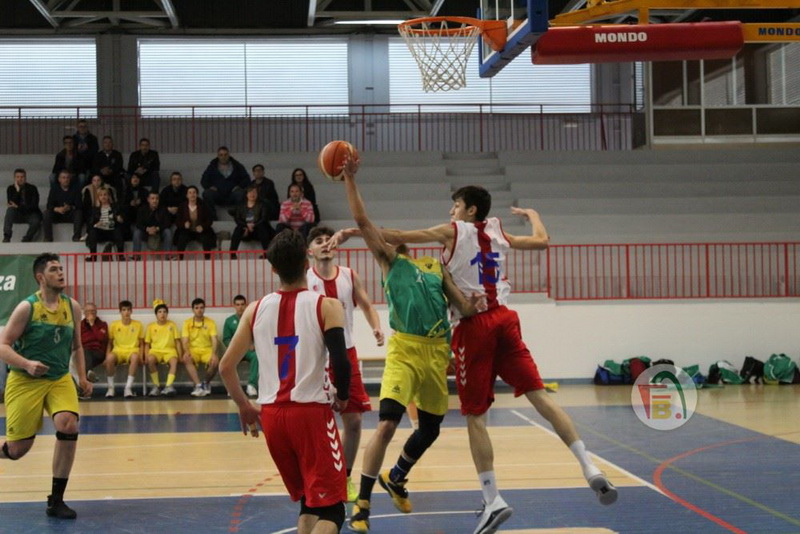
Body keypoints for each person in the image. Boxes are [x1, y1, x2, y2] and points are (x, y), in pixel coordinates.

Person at [373, 185, 619, 533]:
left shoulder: (452, 231)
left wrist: (357, 229)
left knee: (476, 418)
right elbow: (541, 241)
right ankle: (589, 466)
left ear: (470, 210)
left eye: (455, 205)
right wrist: (533, 215)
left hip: (474, 327)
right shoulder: (496, 230)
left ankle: (492, 500)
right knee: (540, 396)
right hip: (505, 319)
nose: (451, 211)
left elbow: (397, 236)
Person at [332, 156, 483, 533]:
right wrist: (350, 179)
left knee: (430, 429)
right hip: (404, 351)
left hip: (437, 352)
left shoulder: (434, 267)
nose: (391, 238)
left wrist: (479, 304)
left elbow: (463, 307)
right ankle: (362, 503)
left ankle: (397, 476)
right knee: (386, 424)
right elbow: (363, 222)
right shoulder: (389, 262)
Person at [219, 229, 351, 534]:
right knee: (333, 509)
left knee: (309, 502)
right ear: (307, 263)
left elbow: (226, 366)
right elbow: (341, 361)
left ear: (273, 269)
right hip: (310, 414)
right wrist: (343, 396)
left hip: (272, 417)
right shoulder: (326, 305)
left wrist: (244, 406)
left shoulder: (254, 309)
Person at [0, 253, 92, 519]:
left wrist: (82, 377)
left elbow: (77, 346)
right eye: (54, 269)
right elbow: (3, 346)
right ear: (41, 277)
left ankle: (56, 500)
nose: (61, 273)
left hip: (59, 378)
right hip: (25, 381)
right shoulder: (27, 308)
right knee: (17, 449)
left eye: (61, 268)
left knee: (68, 424)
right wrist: (27, 364)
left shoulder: (72, 307)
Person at [306, 225, 385, 503]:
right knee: (316, 424)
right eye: (318, 241)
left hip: (346, 355)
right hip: (316, 357)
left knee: (354, 421)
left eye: (328, 240)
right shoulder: (305, 279)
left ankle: (345, 478)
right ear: (310, 251)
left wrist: (376, 326)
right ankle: (318, 477)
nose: (325, 244)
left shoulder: (349, 276)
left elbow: (367, 305)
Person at [105, 300, 144, 398]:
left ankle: (128, 388)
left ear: (131, 311)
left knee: (135, 357)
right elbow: (110, 343)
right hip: (118, 351)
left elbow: (142, 343)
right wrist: (106, 357)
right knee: (110, 358)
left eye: (128, 310)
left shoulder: (138, 325)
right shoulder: (114, 325)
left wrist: (141, 356)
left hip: (132, 351)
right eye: (124, 310)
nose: (126, 312)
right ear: (120, 311)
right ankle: (111, 388)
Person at [221, 295, 258, 398]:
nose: (240, 307)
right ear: (234, 306)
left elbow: (257, 335)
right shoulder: (229, 321)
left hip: (249, 351)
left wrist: (254, 345)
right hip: (235, 351)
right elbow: (226, 339)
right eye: (237, 305)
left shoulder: (252, 319)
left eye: (242, 304)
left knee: (256, 356)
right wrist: (234, 347)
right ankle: (233, 388)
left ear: (246, 305)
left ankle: (252, 385)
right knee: (229, 361)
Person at [181, 298, 219, 397]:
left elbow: (214, 340)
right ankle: (198, 386)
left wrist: (214, 354)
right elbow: (185, 340)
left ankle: (205, 383)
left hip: (207, 349)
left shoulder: (210, 322)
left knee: (215, 361)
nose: (199, 310)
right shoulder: (187, 323)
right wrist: (186, 351)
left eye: (201, 308)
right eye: (197, 308)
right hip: (193, 350)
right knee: (186, 358)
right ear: (192, 309)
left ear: (204, 309)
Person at [200, 146, 250, 220]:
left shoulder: (237, 166)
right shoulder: (212, 167)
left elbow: (247, 179)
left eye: (225, 154)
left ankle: (239, 217)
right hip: (218, 195)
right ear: (218, 156)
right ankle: (212, 218)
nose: (223, 157)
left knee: (241, 193)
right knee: (207, 193)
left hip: (233, 194)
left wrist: (239, 186)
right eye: (221, 155)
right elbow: (204, 180)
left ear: (228, 155)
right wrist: (209, 186)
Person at [144, 300, 181, 396]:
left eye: (164, 312)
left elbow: (177, 341)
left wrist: (180, 356)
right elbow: (147, 344)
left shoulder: (172, 325)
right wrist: (146, 356)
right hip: (155, 351)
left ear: (167, 314)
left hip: (170, 351)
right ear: (156, 314)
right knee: (150, 360)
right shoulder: (150, 326)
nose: (162, 314)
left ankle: (169, 386)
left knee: (174, 361)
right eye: (160, 312)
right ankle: (156, 386)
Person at [229, 185, 273, 257]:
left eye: (254, 192)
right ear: (246, 194)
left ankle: (267, 254)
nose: (252, 194)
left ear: (257, 194)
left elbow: (264, 218)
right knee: (238, 229)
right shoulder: (241, 205)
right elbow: (237, 219)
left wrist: (253, 225)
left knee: (262, 228)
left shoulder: (262, 205)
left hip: (257, 230)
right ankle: (232, 254)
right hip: (245, 231)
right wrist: (246, 225)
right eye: (250, 192)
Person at [174, 186, 216, 259]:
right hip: (187, 231)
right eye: (190, 193)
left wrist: (202, 226)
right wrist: (184, 224)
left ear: (197, 194)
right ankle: (179, 259)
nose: (192, 195)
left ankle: (207, 260)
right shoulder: (182, 206)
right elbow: (177, 221)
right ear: (187, 195)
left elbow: (209, 220)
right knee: (182, 238)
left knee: (206, 239)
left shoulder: (203, 205)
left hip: (200, 231)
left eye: (194, 192)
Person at [85, 187, 125, 260]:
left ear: (109, 196)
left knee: (118, 231)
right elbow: (90, 224)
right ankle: (93, 257)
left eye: (105, 195)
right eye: (101, 195)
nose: (103, 197)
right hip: (100, 232)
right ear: (98, 197)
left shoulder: (116, 207)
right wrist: (96, 224)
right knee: (92, 232)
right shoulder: (95, 209)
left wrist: (120, 219)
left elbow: (123, 221)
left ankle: (120, 256)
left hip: (112, 231)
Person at [43, 171, 83, 243]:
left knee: (79, 213)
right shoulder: (54, 189)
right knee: (46, 213)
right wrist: (57, 209)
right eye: (63, 178)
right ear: (59, 179)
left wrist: (70, 207)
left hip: (70, 214)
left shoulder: (75, 189)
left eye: (67, 178)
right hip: (57, 214)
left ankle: (76, 237)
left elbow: (79, 205)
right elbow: (49, 205)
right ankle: (48, 238)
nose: (66, 180)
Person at [4, 168, 41, 243]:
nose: (20, 179)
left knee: (36, 220)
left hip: (30, 213)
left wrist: (18, 207)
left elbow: (34, 206)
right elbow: (11, 203)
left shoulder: (32, 188)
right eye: (17, 177)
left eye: (22, 177)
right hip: (18, 214)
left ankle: (27, 238)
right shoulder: (11, 188)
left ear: (25, 178)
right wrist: (18, 191)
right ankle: (7, 236)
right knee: (10, 210)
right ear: (14, 178)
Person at [133, 191, 173, 258]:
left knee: (168, 232)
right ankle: (136, 257)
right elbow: (138, 224)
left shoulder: (163, 209)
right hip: (146, 232)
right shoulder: (142, 209)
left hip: (159, 231)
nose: (155, 201)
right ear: (148, 199)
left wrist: (157, 229)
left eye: (157, 198)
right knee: (137, 233)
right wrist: (147, 229)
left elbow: (167, 223)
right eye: (152, 198)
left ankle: (168, 256)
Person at [79, 302, 108, 385]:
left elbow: (101, 338)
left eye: (93, 311)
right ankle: (89, 375)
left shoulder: (102, 324)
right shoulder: (80, 325)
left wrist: (92, 325)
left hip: (98, 352)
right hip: (84, 353)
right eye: (88, 311)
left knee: (83, 361)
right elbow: (78, 340)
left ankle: (87, 376)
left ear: (96, 312)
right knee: (84, 355)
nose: (91, 314)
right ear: (84, 313)